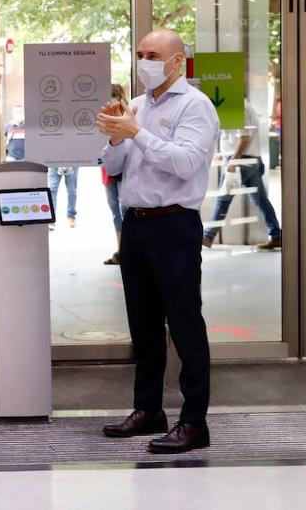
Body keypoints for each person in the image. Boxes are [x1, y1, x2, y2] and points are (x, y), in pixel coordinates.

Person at [97, 30, 218, 455]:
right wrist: (115, 135)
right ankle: (148, 409)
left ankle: (193, 421)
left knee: (184, 324)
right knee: (143, 325)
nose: (144, 61)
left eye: (153, 55)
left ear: (177, 62)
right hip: (136, 225)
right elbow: (114, 166)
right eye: (140, 54)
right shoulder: (137, 105)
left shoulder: (195, 106)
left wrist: (137, 133)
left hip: (174, 225)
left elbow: (186, 164)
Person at [201, 100, 281, 250]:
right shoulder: (241, 107)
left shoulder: (240, 108)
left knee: (223, 199)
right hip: (248, 161)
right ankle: (276, 235)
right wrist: (224, 154)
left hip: (241, 163)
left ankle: (208, 236)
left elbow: (244, 139)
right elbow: (236, 139)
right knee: (261, 201)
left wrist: (233, 160)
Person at [102, 83, 126, 266]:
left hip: (125, 172)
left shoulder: (129, 116)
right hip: (109, 171)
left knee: (123, 212)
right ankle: (121, 250)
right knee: (116, 213)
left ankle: (126, 250)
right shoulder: (102, 117)